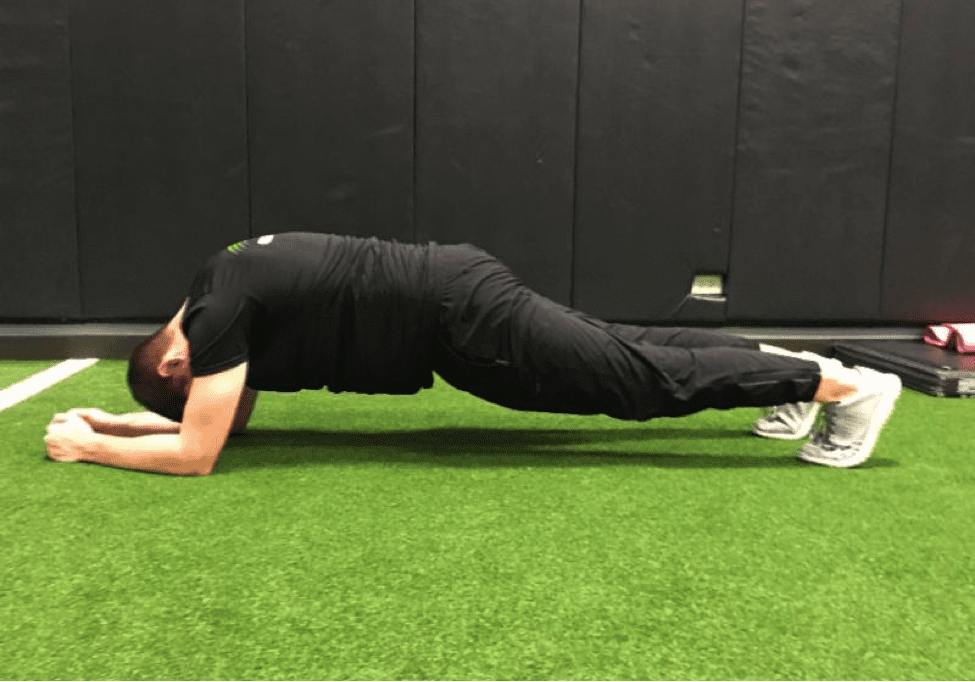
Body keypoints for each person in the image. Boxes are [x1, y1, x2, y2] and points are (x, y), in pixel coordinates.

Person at [44, 232, 901, 476]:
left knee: (629, 381)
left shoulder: (216, 320)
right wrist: (123, 423)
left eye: (185, 392)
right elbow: (220, 419)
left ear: (174, 365)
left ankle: (842, 388)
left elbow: (198, 452)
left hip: (458, 318)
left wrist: (88, 447)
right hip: (455, 302)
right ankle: (787, 373)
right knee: (623, 350)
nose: (219, 397)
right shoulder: (211, 289)